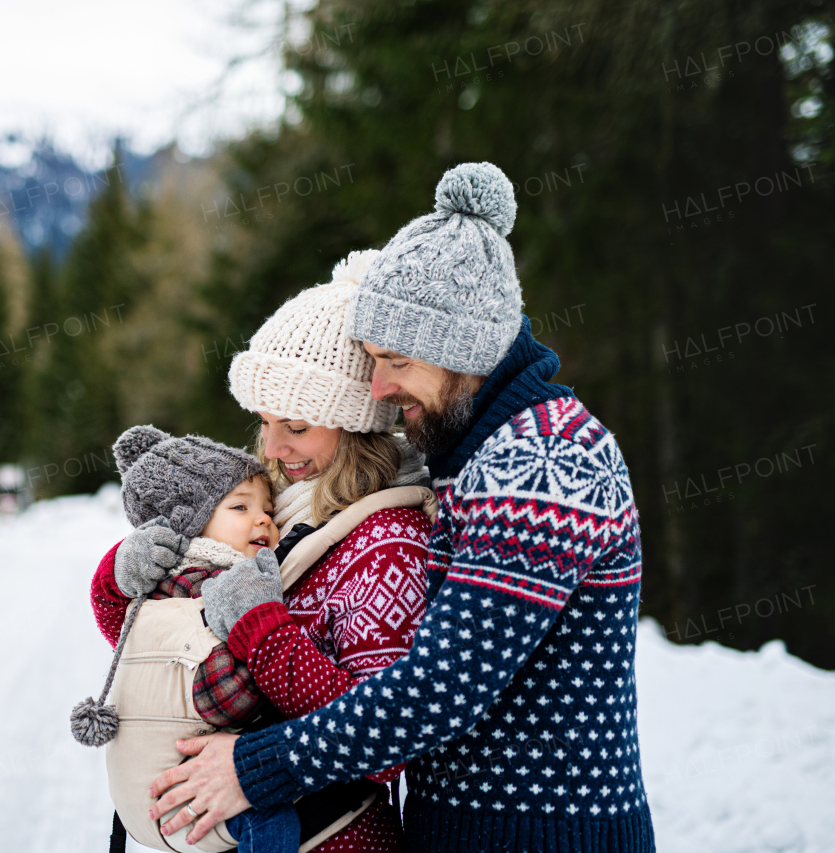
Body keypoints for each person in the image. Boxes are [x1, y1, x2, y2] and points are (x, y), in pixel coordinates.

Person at [146, 162, 656, 853]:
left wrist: (257, 767)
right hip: (472, 832)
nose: (380, 387)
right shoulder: (479, 453)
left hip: (542, 837)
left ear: (464, 350)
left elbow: (440, 688)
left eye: (396, 360)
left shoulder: (545, 462)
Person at [90, 251, 437, 853]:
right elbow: (155, 642)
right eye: (264, 421)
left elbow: (382, 741)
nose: (273, 448)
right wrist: (121, 577)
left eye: (296, 426)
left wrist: (261, 631)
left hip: (334, 839)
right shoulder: (275, 507)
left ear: (357, 427)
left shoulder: (386, 547)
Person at [76, 424, 295, 853]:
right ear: (188, 523)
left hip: (147, 807)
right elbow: (229, 699)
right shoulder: (209, 588)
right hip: (189, 798)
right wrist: (265, 625)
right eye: (240, 507)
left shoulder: (167, 585)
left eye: (269, 507)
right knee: (274, 814)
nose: (264, 518)